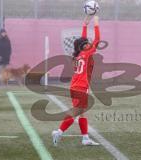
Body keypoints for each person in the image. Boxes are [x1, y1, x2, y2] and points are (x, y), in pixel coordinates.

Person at [52, 15, 100, 146]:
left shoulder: (79, 55)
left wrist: (85, 25)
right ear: (83, 47)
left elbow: (82, 41)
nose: (88, 44)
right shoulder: (86, 53)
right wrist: (96, 23)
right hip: (80, 87)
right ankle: (59, 132)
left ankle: (85, 138)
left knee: (81, 113)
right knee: (76, 111)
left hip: (75, 86)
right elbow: (97, 39)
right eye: (86, 44)